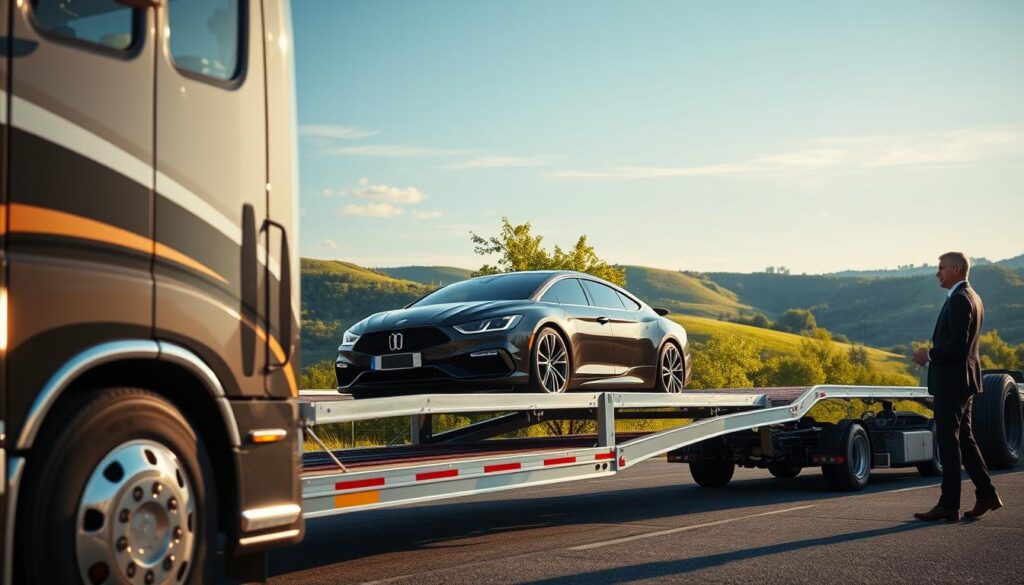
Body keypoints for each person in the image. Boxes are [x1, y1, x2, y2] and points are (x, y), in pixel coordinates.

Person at [912, 252, 1001, 522]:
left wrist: (928, 355)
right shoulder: (973, 297)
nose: (937, 273)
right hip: (964, 381)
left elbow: (955, 345)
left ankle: (949, 505)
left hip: (952, 383)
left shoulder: (960, 299)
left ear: (957, 269)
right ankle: (986, 494)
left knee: (949, 443)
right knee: (965, 440)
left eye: (941, 268)